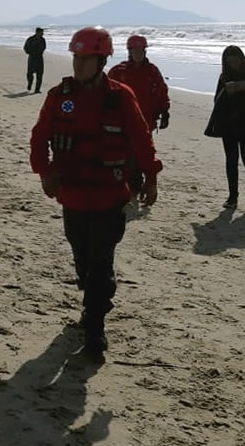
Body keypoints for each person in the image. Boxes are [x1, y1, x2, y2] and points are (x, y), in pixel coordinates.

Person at [30, 26, 162, 356]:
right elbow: (39, 137)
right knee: (82, 259)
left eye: (86, 59)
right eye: (76, 58)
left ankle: (95, 327)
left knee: (101, 260)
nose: (79, 65)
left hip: (109, 195)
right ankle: (93, 295)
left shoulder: (121, 97)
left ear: (102, 60)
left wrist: (151, 177)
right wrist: (44, 172)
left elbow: (142, 139)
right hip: (73, 196)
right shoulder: (60, 97)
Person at [204, 45, 245, 211]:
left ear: (242, 58)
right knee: (231, 161)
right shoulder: (224, 77)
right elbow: (216, 101)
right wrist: (228, 90)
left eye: (236, 61)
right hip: (228, 125)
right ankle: (233, 197)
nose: (234, 64)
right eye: (230, 62)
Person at [108, 35, 170, 197]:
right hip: (122, 121)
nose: (138, 53)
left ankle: (136, 183)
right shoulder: (118, 71)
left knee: (142, 152)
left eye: (140, 50)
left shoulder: (152, 71)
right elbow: (105, 93)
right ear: (129, 51)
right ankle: (128, 183)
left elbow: (162, 92)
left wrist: (165, 112)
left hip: (145, 120)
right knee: (124, 152)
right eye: (135, 50)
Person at [23, 27, 47, 93]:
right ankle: (30, 83)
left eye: (43, 33)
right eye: (41, 33)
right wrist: (31, 52)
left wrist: (40, 52)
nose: (42, 34)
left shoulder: (43, 40)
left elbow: (44, 47)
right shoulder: (30, 39)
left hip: (39, 58)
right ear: (37, 32)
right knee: (29, 73)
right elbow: (25, 48)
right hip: (32, 58)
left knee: (40, 74)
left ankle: (37, 89)